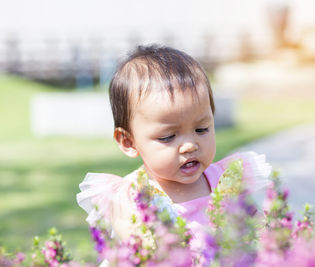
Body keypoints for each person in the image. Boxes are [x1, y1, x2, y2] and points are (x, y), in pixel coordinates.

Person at [77, 45, 271, 243]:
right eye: (168, 137)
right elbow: (137, 253)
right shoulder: (131, 197)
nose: (190, 145)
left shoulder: (225, 181)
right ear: (129, 142)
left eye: (201, 129)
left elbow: (258, 229)